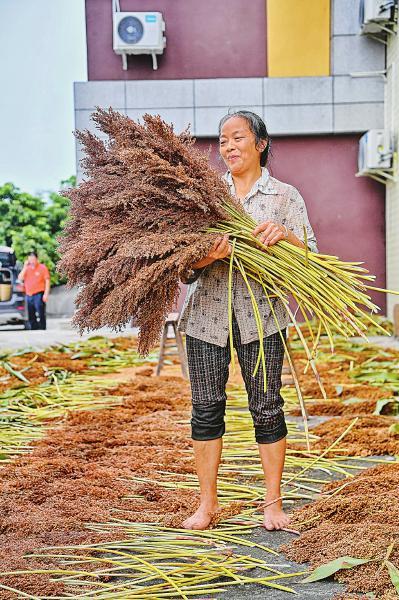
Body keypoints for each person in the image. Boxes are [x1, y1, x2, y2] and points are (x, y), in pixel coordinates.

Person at [178, 111, 318, 531]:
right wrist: (211, 255)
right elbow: (184, 269)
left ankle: (272, 505)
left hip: (264, 318)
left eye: (237, 138)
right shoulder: (206, 197)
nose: (228, 147)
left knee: (267, 407)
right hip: (206, 319)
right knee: (205, 409)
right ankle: (207, 506)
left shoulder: (284, 196)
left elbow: (309, 256)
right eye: (222, 141)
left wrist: (285, 237)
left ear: (260, 143)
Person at [18, 251, 50, 330]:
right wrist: (25, 267)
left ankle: (42, 327)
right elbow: (20, 278)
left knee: (40, 311)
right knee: (31, 313)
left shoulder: (42, 267)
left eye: (33, 259)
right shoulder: (26, 269)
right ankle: (34, 328)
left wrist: (46, 294)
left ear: (36, 259)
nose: (31, 261)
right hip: (29, 294)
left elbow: (47, 281)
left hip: (39, 293)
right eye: (30, 259)